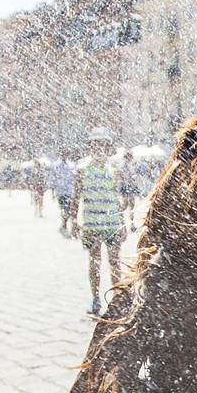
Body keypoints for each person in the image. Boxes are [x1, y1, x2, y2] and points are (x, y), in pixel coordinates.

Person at [71, 129, 123, 315]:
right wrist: (73, 220)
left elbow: (117, 198)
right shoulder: (82, 169)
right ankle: (95, 299)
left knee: (115, 262)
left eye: (103, 144)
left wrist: (123, 221)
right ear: (91, 147)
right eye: (96, 144)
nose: (99, 148)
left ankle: (118, 300)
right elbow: (76, 196)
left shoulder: (114, 169)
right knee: (95, 263)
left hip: (112, 224)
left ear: (108, 147)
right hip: (92, 224)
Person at [49, 153, 76, 237]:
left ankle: (64, 226)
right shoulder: (55, 165)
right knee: (64, 209)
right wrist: (53, 192)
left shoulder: (71, 165)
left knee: (69, 210)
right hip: (60, 191)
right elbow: (52, 178)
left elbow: (74, 177)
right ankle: (64, 226)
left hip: (70, 191)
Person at [115, 148, 139, 232]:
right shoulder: (124, 165)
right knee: (126, 205)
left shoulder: (129, 165)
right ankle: (120, 219)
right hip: (126, 186)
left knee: (131, 205)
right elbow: (120, 175)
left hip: (129, 186)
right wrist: (129, 178)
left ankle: (131, 223)